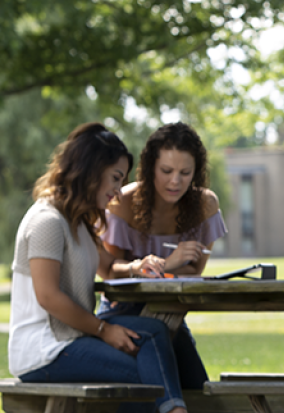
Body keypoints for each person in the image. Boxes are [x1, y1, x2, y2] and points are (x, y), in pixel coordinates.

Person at [8, 123, 188, 413]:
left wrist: (136, 267)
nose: (118, 192)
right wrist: (103, 329)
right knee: (145, 378)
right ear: (91, 171)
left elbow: (109, 268)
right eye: (115, 178)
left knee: (155, 330)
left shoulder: (79, 222)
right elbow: (48, 296)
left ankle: (176, 409)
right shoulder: (47, 222)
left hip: (74, 337)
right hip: (44, 351)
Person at [97, 122, 225, 389]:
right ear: (150, 166)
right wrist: (167, 264)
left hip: (169, 311)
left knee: (198, 388)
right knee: (149, 389)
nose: (175, 181)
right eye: (166, 171)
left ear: (196, 173)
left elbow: (193, 273)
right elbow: (109, 271)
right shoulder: (124, 202)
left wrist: (168, 267)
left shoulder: (205, 205)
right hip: (122, 311)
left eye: (185, 172)